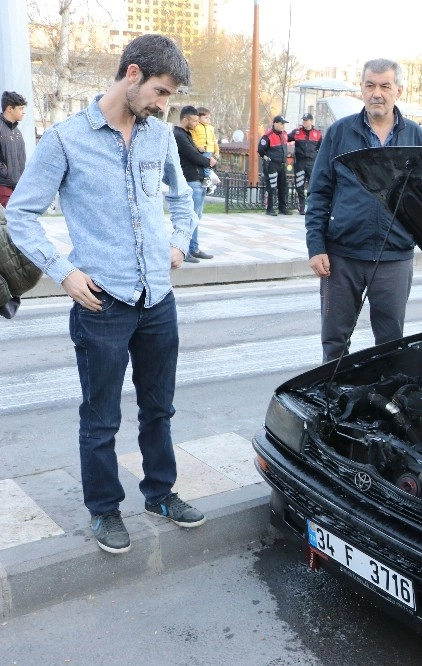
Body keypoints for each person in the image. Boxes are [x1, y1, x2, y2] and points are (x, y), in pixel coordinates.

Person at [5, 33, 207, 555]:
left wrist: (179, 245)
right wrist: (64, 273)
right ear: (133, 74)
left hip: (157, 300)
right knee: (100, 417)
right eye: (161, 92)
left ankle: (160, 494)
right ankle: (105, 510)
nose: (165, 106)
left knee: (159, 408)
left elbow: (182, 201)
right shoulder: (66, 138)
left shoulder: (159, 137)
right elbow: (20, 215)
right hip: (102, 303)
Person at [305, 58, 422, 363]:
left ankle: (382, 403)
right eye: (370, 85)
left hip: (394, 258)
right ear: (361, 89)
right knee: (334, 340)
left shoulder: (415, 137)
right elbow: (319, 191)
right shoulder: (339, 133)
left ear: (398, 90)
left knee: (390, 343)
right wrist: (316, 246)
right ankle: (332, 402)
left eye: (385, 86)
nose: (377, 93)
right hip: (341, 257)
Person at [174, 105, 216, 263]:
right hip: (191, 178)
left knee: (196, 217)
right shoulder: (179, 135)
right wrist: (208, 162)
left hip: (197, 178)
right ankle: (183, 249)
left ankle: (194, 248)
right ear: (185, 119)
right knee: (190, 217)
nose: (196, 124)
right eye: (193, 121)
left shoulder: (186, 134)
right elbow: (191, 155)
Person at [258, 115, 293, 216]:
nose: (283, 126)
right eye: (281, 123)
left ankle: (282, 208)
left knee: (283, 186)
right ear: (275, 123)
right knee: (271, 187)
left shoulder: (284, 134)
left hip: (282, 165)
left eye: (284, 124)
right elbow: (260, 149)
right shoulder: (268, 135)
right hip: (272, 165)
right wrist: (266, 158)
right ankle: (270, 208)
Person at [288, 112, 322, 214]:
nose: (304, 122)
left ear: (311, 121)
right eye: (303, 120)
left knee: (313, 185)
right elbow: (285, 138)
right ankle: (301, 207)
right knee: (299, 184)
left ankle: (312, 207)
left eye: (306, 120)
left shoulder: (317, 134)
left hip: (312, 163)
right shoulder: (297, 132)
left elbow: (322, 149)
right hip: (300, 162)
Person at [0, 90, 28, 207]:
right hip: (3, 185)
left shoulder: (17, 132)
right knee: (9, 219)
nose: (23, 112)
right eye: (20, 108)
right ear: (9, 109)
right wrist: (5, 173)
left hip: (18, 185)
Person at [191, 106, 219, 192]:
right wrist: (198, 146)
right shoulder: (196, 127)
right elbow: (193, 138)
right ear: (198, 118)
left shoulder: (210, 128)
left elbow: (214, 140)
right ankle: (209, 183)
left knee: (206, 167)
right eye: (206, 118)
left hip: (209, 150)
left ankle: (208, 185)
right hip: (200, 149)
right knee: (203, 167)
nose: (208, 120)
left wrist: (217, 151)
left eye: (209, 118)